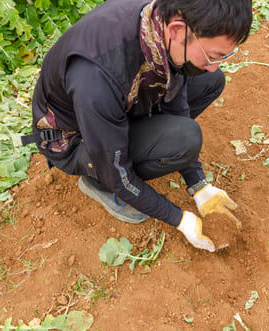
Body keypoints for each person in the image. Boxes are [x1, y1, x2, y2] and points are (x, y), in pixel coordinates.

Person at [21, 0, 253, 252]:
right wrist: (179, 218)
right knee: (183, 139)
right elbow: (116, 168)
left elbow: (178, 100)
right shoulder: (96, 77)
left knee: (210, 80)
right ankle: (98, 183)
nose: (215, 63)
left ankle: (140, 144)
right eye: (213, 55)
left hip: (117, 105)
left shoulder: (163, 21)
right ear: (177, 30)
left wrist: (198, 185)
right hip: (76, 139)